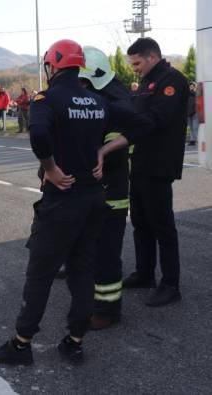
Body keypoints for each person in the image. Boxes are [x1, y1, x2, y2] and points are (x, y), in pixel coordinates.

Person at [0, 39, 152, 366]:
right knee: (82, 268)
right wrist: (103, 151)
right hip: (93, 198)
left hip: (62, 198)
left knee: (40, 273)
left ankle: (21, 344)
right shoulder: (96, 100)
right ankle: (75, 341)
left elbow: (39, 135)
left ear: (53, 66)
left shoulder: (47, 99)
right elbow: (143, 124)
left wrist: (51, 169)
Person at [117, 37, 189, 306]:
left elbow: (156, 119)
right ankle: (145, 272)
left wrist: (123, 136)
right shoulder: (147, 82)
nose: (134, 68)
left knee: (162, 225)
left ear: (151, 57)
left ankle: (170, 284)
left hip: (159, 164)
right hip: (141, 162)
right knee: (140, 221)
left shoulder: (172, 80)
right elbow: (135, 111)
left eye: (137, 63)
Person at [78, 46, 135, 329]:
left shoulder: (116, 102)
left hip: (111, 191)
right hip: (99, 189)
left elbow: (117, 147)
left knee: (106, 253)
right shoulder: (107, 94)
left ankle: (108, 311)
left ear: (91, 78)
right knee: (94, 249)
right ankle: (97, 301)